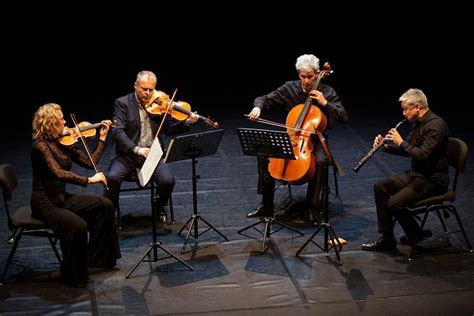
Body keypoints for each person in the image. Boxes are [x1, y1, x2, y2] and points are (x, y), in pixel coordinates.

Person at [247, 54, 348, 222]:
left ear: (317, 74)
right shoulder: (290, 88)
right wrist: (258, 108)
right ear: (298, 74)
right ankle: (267, 204)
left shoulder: (328, 92)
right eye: (303, 76)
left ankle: (312, 206)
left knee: (321, 161)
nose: (307, 81)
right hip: (292, 137)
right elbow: (263, 99)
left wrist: (324, 103)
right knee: (263, 154)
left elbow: (344, 118)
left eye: (310, 77)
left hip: (315, 139)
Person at [30, 103, 121, 288]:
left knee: (105, 206)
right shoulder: (41, 146)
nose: (65, 122)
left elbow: (90, 162)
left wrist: (102, 139)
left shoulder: (65, 142)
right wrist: (89, 181)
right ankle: (72, 273)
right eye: (61, 119)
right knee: (78, 226)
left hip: (61, 197)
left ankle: (97, 259)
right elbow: (58, 173)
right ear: (50, 123)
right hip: (45, 201)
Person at [105, 70, 199, 224]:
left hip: (152, 155)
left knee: (168, 181)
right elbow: (118, 132)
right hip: (128, 155)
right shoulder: (122, 103)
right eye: (144, 89)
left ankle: (158, 206)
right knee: (112, 178)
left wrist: (186, 122)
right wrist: (136, 149)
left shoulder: (159, 103)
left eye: (151, 89)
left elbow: (169, 130)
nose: (148, 93)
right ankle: (108, 215)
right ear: (135, 86)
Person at [361, 88, 449, 251]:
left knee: (393, 203)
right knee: (380, 186)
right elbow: (407, 150)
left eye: (405, 109)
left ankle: (415, 233)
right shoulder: (417, 123)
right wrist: (385, 146)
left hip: (433, 179)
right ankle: (387, 239)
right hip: (418, 175)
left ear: (417, 107)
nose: (403, 114)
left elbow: (422, 155)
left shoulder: (436, 125)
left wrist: (401, 142)